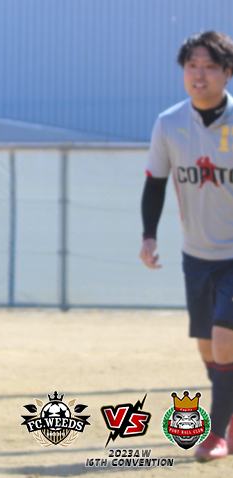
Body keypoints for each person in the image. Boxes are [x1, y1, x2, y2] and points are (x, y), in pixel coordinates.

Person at [140, 30, 233, 462]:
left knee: (224, 339)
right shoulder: (168, 123)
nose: (199, 74)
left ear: (227, 73)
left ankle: (217, 434)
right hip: (196, 255)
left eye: (209, 66)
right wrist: (149, 235)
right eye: (191, 66)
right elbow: (155, 184)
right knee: (207, 347)